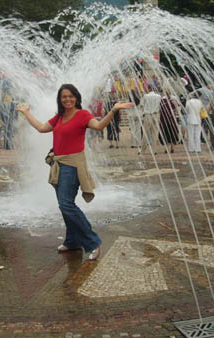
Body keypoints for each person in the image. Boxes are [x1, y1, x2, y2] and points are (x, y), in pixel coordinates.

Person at [16, 84, 133, 261]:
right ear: (60, 99)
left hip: (72, 166)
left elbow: (99, 126)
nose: (67, 99)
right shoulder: (59, 117)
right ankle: (72, 241)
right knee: (66, 204)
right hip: (58, 164)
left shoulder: (83, 115)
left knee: (66, 205)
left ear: (76, 97)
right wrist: (25, 112)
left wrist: (114, 110)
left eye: (71, 96)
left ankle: (92, 241)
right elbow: (41, 128)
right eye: (64, 97)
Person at [139, 85, 161, 155]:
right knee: (155, 133)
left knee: (146, 133)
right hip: (155, 115)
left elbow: (141, 105)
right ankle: (154, 150)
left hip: (148, 115)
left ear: (148, 89)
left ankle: (143, 150)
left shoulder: (145, 96)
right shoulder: (158, 96)